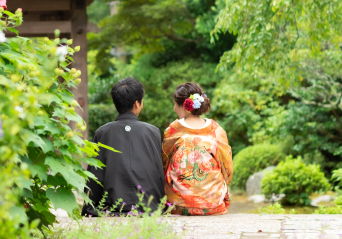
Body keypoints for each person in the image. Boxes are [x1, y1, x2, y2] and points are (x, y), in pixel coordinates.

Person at [83, 77, 165, 215]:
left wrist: (90, 207)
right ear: (137, 103)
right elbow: (158, 172)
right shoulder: (153, 132)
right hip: (149, 206)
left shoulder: (102, 132)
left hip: (112, 208)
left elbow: (95, 175)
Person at [162, 82, 233, 215]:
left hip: (177, 205)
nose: (174, 108)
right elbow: (227, 168)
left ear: (183, 106)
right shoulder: (217, 131)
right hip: (212, 204)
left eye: (175, 104)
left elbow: (164, 164)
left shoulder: (173, 131)